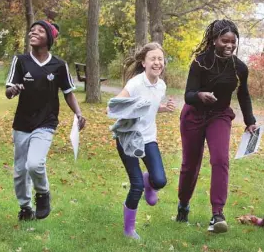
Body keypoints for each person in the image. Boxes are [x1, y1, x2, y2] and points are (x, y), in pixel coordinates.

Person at [176, 19, 258, 234]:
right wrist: (200, 95)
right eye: (225, 41)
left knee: (221, 160)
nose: (229, 45)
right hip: (194, 115)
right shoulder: (200, 62)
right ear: (214, 40)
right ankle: (183, 204)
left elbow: (243, 94)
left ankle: (217, 214)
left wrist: (250, 121)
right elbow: (188, 95)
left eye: (233, 41)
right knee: (190, 165)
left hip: (219, 116)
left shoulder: (240, 68)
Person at [5, 20, 86, 221]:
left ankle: (42, 193)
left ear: (48, 39)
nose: (33, 32)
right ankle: (25, 207)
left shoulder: (59, 65)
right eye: (32, 30)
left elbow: (68, 93)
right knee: (20, 171)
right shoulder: (21, 61)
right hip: (22, 122)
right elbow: (8, 91)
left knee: (34, 164)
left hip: (46, 121)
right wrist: (13, 90)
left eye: (39, 31)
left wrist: (78, 113)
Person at [111, 42, 175, 239]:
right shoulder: (135, 84)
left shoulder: (161, 85)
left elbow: (151, 106)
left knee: (160, 181)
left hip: (148, 139)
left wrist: (163, 108)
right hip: (128, 139)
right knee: (136, 185)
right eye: (152, 59)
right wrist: (133, 107)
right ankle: (129, 230)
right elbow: (113, 106)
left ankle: (150, 181)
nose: (157, 62)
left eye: (160, 59)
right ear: (144, 62)